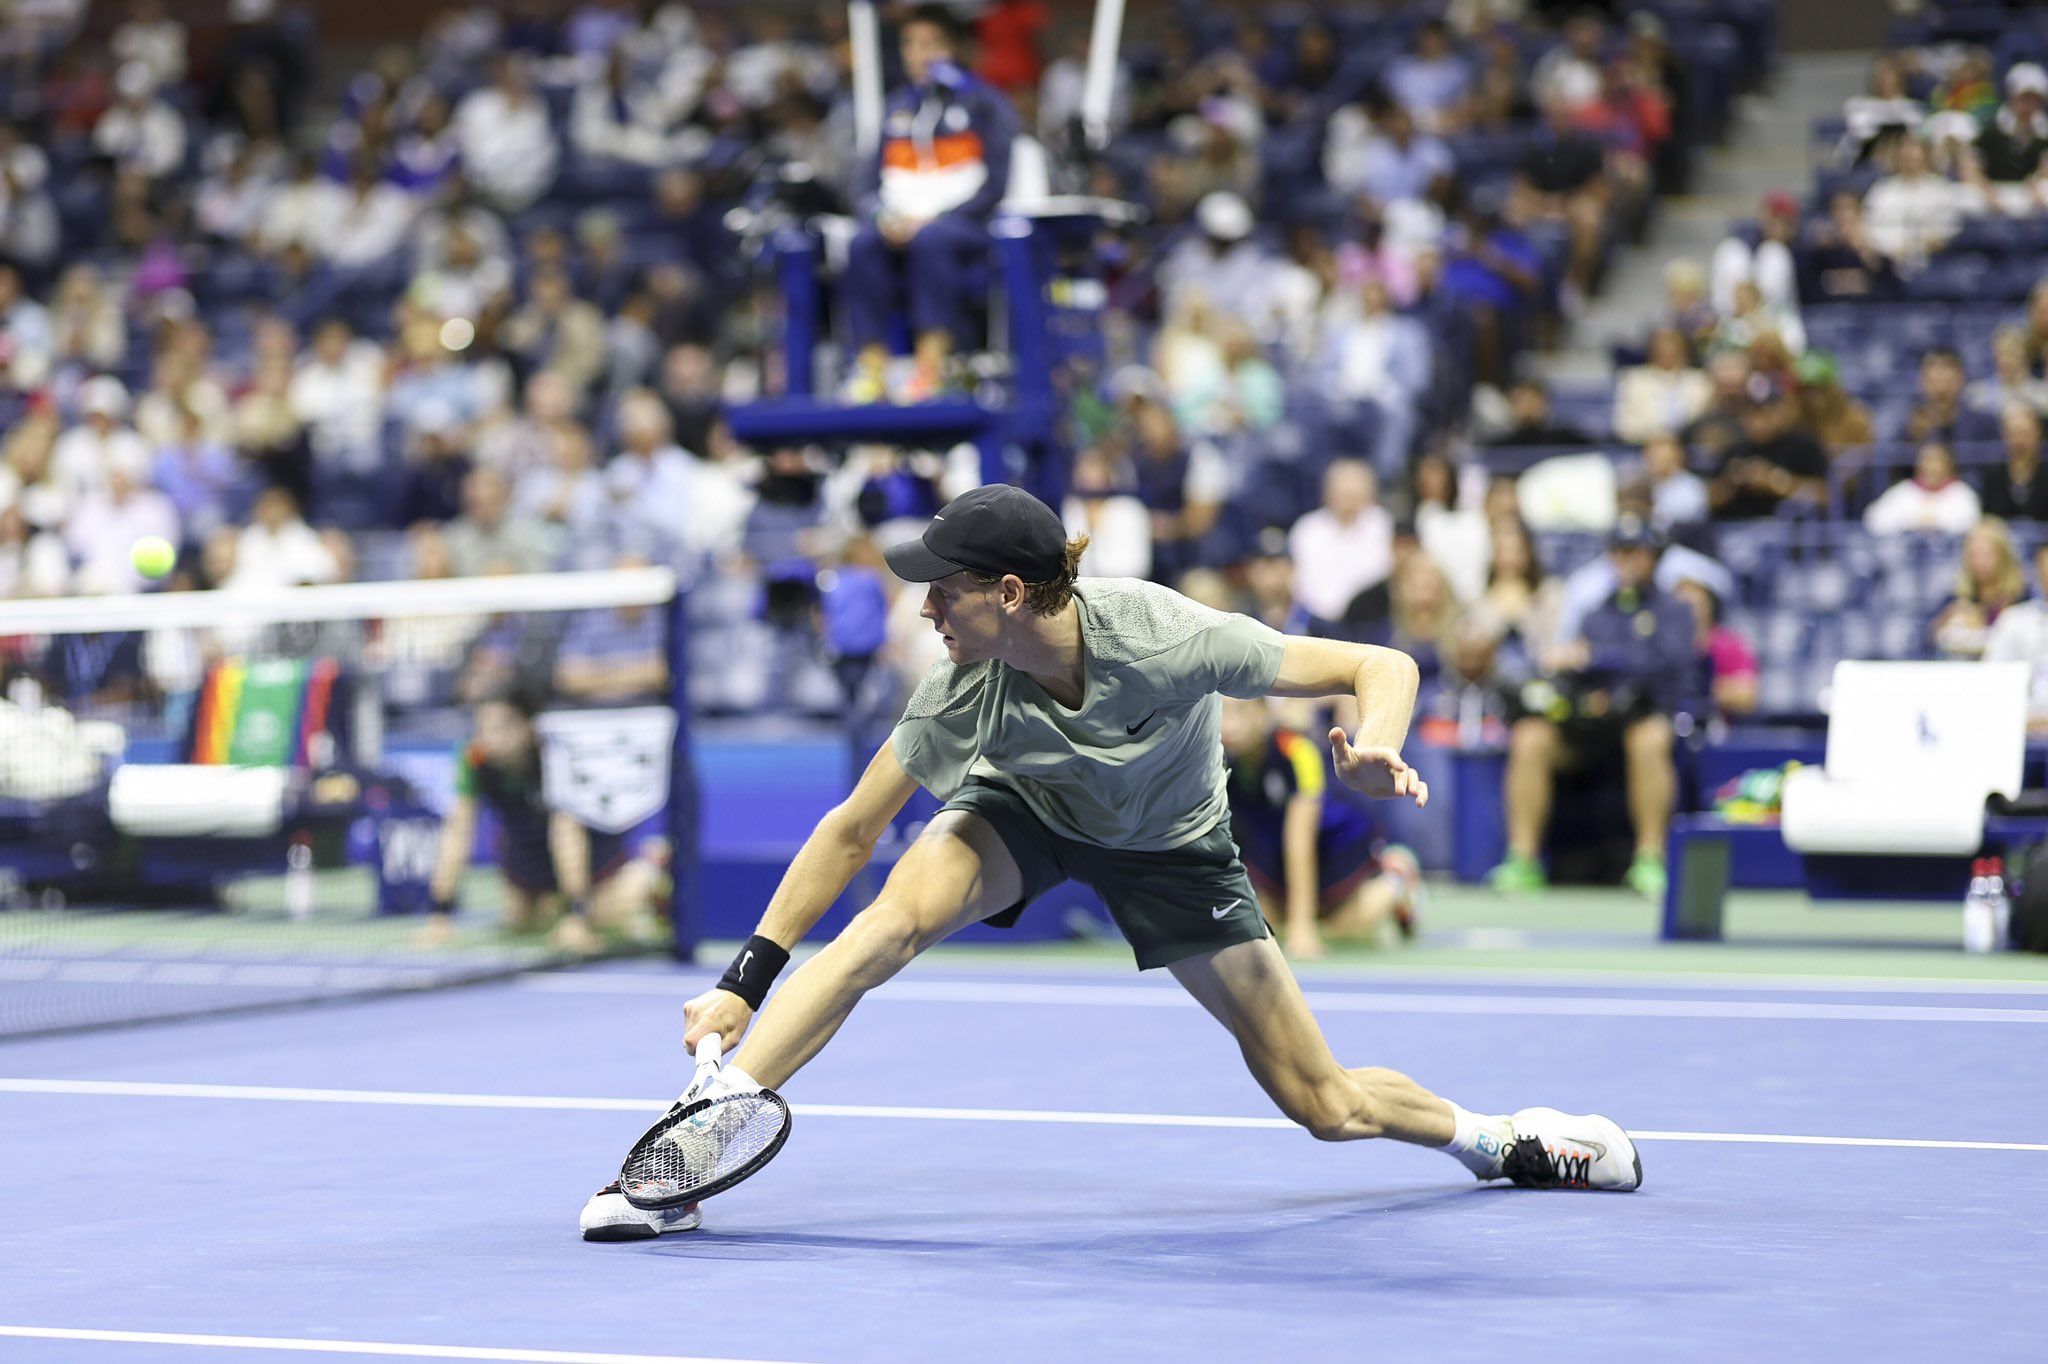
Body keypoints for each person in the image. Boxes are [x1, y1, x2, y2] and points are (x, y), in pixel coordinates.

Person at [579, 484, 1641, 1237]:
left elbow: (1381, 659)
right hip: (1026, 813)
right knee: (887, 922)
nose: (923, 608)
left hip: (1173, 849)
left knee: (1324, 1103)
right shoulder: (961, 683)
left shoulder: (1164, 634)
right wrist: (740, 981)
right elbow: (850, 829)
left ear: (1005, 589)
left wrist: (1378, 742)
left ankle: (1504, 1139)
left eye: (940, 590)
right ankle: (692, 1140)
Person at [1489, 518, 1693, 901]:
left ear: (1654, 558)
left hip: (1644, 718)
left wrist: (1598, 658)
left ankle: (1650, 858)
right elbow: (1580, 672)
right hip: (1592, 723)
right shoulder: (1595, 613)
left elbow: (1667, 665)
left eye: (1637, 552)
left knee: (1649, 737)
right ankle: (1523, 858)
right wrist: (1571, 669)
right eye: (1619, 552)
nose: (1627, 561)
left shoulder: (1675, 611)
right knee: (1531, 736)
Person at [842, 5, 1019, 403]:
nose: (920, 55)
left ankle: (930, 365)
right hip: (900, 222)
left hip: (962, 225)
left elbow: (996, 185)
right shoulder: (895, 109)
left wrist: (935, 218)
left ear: (953, 49)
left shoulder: (985, 105)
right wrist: (882, 216)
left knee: (933, 240)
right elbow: (864, 185)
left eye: (931, 44)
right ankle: (872, 367)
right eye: (911, 45)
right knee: (863, 242)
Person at [420, 691, 667, 954]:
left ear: (528, 727)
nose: (490, 737)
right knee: (520, 923)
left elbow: (567, 832)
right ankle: (555, 903)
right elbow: (458, 831)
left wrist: (576, 917)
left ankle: (650, 868)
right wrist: (440, 913)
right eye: (483, 728)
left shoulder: (553, 754)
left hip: (591, 855)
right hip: (527, 856)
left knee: (607, 918)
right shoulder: (474, 758)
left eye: (503, 726)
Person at [1220, 696, 1420, 961]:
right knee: (1260, 921)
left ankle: (1396, 880)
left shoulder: (1296, 751)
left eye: (1240, 712)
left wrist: (1302, 926)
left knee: (1346, 930)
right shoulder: (1219, 759)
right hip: (1275, 858)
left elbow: (1300, 842)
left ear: (1265, 714)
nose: (1228, 726)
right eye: (1220, 714)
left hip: (1338, 850)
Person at [1932, 517, 2027, 660]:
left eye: (1987, 555)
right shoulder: (1958, 595)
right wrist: (1947, 618)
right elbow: (1932, 637)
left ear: (2003, 556)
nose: (1979, 562)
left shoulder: (2021, 596)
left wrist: (1985, 624)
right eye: (1973, 555)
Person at [1613, 326, 1712, 444]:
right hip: (1645, 445)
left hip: (1690, 445)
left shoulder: (1700, 380)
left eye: (1674, 348)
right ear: (1653, 351)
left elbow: (1707, 422)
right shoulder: (1634, 380)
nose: (1668, 352)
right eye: (1662, 348)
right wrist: (1660, 437)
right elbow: (1624, 426)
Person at [1863, 440, 1981, 536]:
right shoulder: (1903, 491)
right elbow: (1874, 520)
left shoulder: (1962, 493)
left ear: (1949, 465)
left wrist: (1935, 524)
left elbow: (1971, 524)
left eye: (1936, 461)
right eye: (1926, 460)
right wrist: (1910, 523)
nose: (1930, 467)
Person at [1982, 406, 2048, 522]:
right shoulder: (1993, 476)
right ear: (2004, 436)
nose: (2019, 441)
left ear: (2039, 434)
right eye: (2013, 433)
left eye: (2025, 433)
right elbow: (1989, 520)